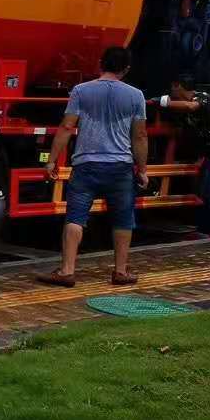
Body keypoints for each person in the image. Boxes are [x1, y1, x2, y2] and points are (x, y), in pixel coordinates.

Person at [40, 46, 149, 287]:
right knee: (123, 219)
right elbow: (139, 136)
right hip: (120, 166)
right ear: (126, 69)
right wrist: (141, 169)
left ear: (101, 63)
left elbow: (67, 127)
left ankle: (67, 271)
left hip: (86, 164)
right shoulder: (136, 96)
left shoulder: (81, 91)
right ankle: (120, 271)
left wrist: (51, 160)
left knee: (76, 217)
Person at [157, 74, 210, 237]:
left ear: (177, 85)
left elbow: (191, 107)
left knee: (207, 191)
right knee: (203, 192)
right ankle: (204, 230)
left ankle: (206, 230)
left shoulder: (202, 96)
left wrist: (163, 102)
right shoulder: (180, 111)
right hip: (205, 153)